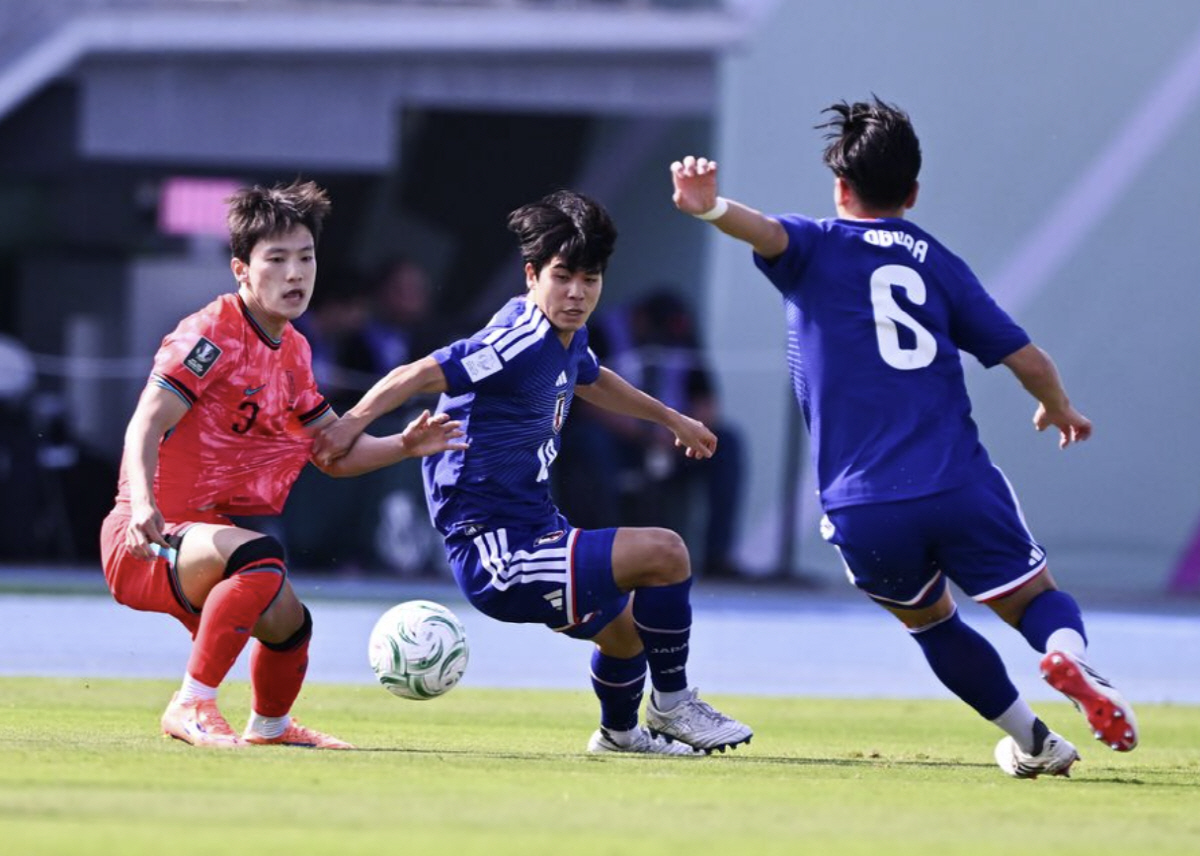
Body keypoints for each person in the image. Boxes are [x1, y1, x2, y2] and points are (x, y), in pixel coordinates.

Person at [670, 98, 1138, 778]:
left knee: (932, 624)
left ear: (840, 188)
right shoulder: (938, 263)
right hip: (957, 483)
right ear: (913, 193)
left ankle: (1033, 741)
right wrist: (1058, 408)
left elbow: (763, 230)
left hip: (863, 505)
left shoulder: (818, 245)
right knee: (1035, 599)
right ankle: (1071, 658)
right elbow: (1028, 359)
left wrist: (707, 206)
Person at [316, 189, 752, 756]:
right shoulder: (515, 341)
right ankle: (674, 704)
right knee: (666, 553)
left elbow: (592, 378)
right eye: (562, 276)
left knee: (627, 636)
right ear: (532, 275)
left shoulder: (566, 334)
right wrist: (351, 423)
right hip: (496, 550)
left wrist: (672, 418)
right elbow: (420, 373)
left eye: (589, 279)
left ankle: (620, 736)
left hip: (536, 527)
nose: (576, 293)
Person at [100, 179, 465, 750]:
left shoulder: (293, 350)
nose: (295, 274)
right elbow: (145, 421)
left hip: (204, 538)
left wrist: (404, 445)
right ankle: (191, 703)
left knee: (290, 624)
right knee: (261, 557)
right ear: (241, 270)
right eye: (277, 259)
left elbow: (330, 454)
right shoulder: (210, 334)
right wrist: (143, 505)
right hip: (146, 537)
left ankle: (270, 727)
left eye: (306, 257)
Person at [558, 288, 746, 578]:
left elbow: (706, 398)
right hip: (622, 437)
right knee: (588, 441)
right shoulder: (600, 335)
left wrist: (683, 429)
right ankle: (604, 551)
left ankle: (717, 557)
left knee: (727, 443)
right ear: (641, 319)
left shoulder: (681, 337)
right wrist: (647, 431)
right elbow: (588, 397)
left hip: (671, 438)